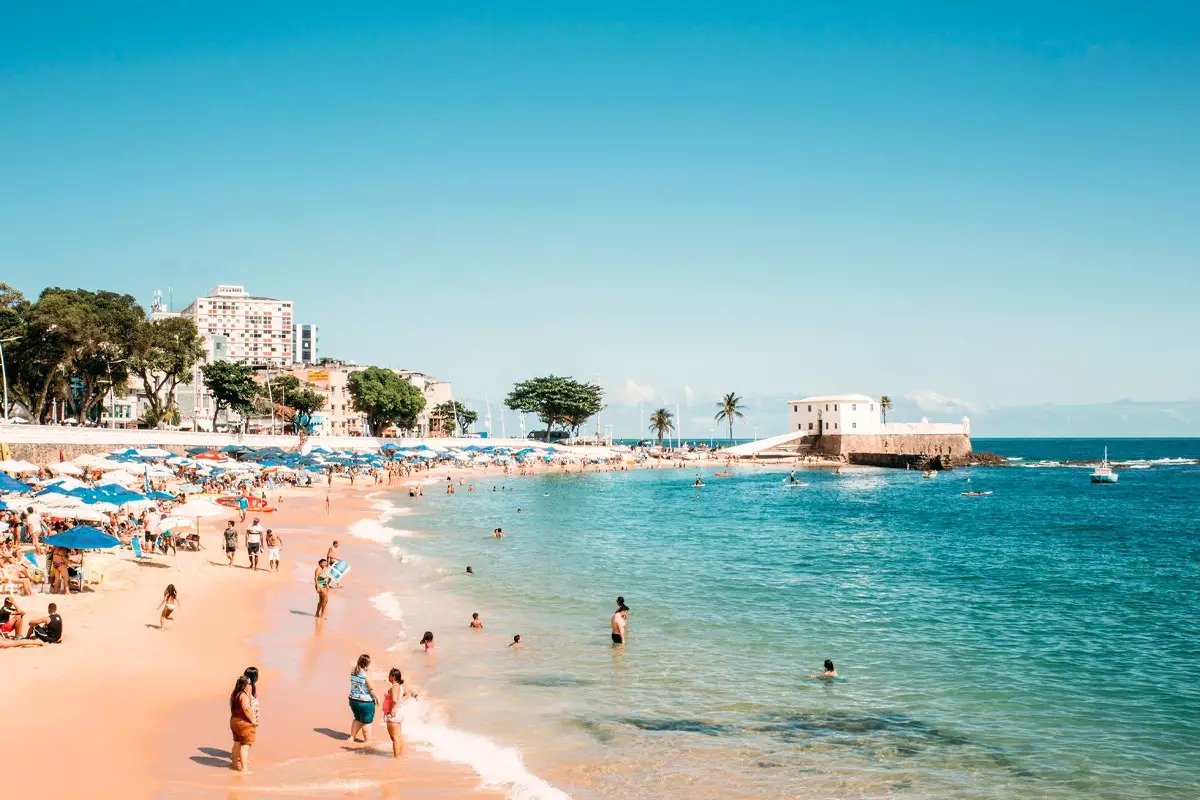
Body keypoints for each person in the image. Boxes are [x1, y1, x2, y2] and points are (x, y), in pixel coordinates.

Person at [383, 667, 419, 758]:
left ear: (393, 677)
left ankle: (396, 758)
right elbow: (406, 695)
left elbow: (394, 700)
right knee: (398, 737)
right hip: (399, 714)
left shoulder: (395, 686)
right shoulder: (400, 686)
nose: (388, 677)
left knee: (394, 738)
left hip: (393, 715)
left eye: (389, 675)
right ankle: (400, 756)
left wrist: (393, 708)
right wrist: (398, 705)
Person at [229, 675, 257, 771]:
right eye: (249, 684)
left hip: (234, 721)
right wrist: (253, 720)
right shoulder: (243, 695)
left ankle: (234, 765)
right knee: (245, 746)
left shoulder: (234, 694)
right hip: (243, 722)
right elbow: (246, 708)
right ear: (246, 685)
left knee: (237, 744)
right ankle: (244, 770)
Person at [348, 653, 378, 743]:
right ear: (366, 664)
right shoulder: (365, 675)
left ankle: (351, 738)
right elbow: (372, 688)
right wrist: (377, 698)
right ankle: (367, 741)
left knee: (357, 719)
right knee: (366, 722)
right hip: (365, 702)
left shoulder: (353, 671)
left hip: (353, 699)